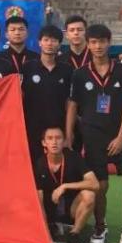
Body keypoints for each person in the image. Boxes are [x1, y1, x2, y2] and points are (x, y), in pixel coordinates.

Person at [65, 24, 122, 243]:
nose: (98, 46)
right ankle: (100, 226)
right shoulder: (80, 74)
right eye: (94, 42)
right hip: (93, 136)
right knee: (100, 186)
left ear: (109, 42)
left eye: (102, 42)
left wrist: (121, 136)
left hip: (121, 135)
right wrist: (68, 135)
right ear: (88, 44)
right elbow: (72, 106)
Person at [35, 127, 100, 243]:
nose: (54, 142)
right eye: (50, 138)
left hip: (72, 209)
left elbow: (95, 184)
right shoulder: (39, 164)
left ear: (64, 142)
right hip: (50, 211)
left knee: (89, 194)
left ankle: (74, 234)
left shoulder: (74, 158)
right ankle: (50, 226)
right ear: (44, 143)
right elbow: (39, 201)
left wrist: (65, 186)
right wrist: (44, 231)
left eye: (58, 138)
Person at [21, 26, 73, 165]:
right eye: (46, 40)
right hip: (32, 128)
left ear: (59, 44)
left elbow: (70, 103)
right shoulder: (27, 68)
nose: (50, 44)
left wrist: (69, 134)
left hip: (58, 127)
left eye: (54, 40)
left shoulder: (67, 70)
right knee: (34, 166)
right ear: (39, 42)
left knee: (57, 166)